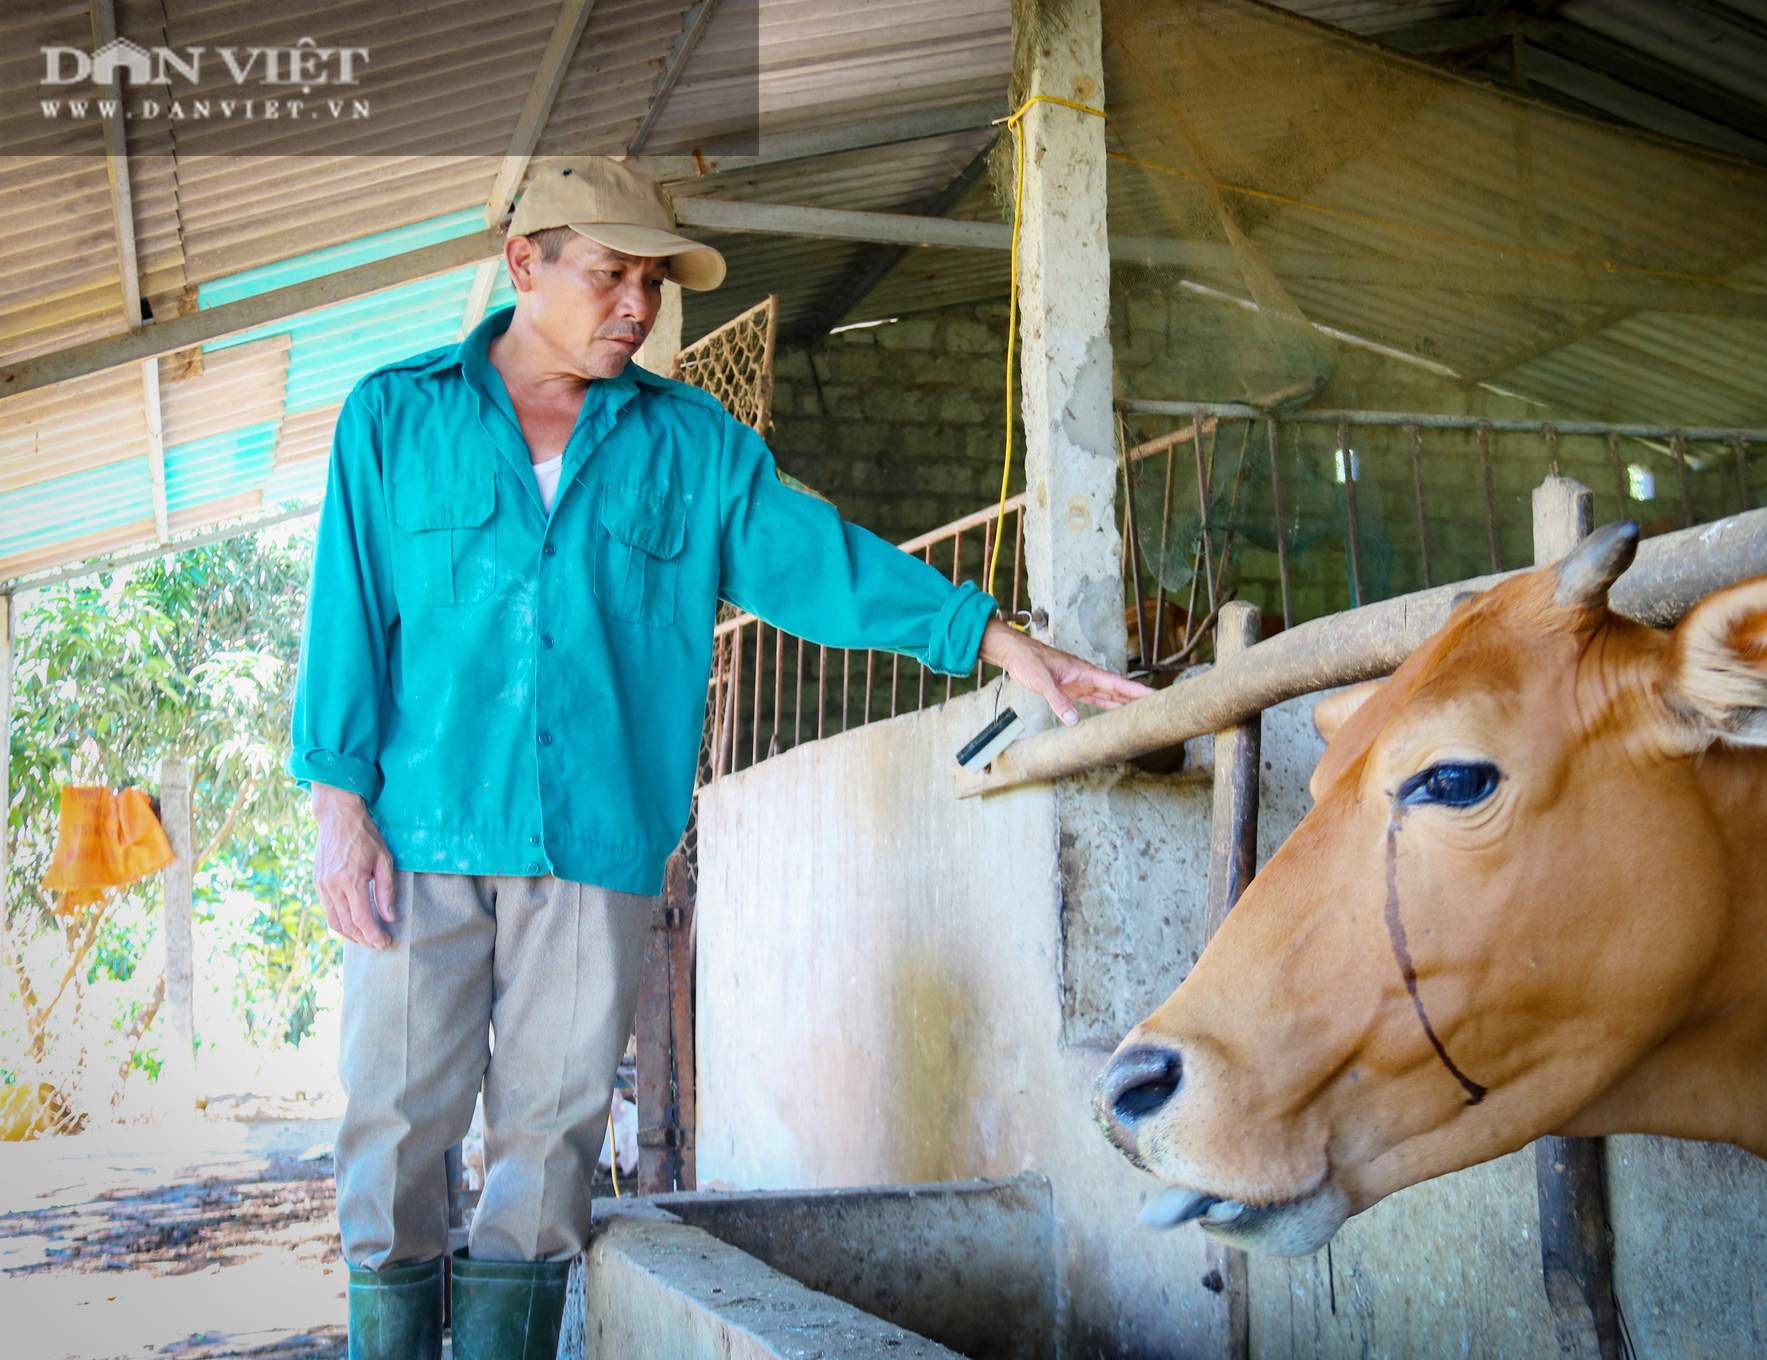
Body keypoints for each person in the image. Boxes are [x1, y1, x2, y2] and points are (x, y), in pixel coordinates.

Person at [290, 156, 1149, 1360]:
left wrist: (998, 644)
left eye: (651, 280)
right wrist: (339, 805)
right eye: (610, 274)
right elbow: (345, 619)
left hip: (595, 845)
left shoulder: (689, 447)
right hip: (421, 827)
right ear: (523, 262)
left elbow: (823, 563)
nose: (637, 304)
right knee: (392, 1131)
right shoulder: (395, 413)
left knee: (545, 1157)